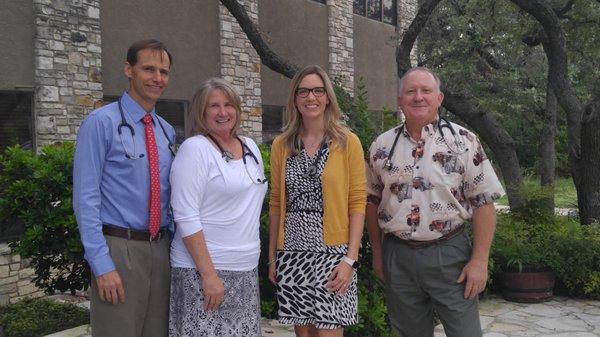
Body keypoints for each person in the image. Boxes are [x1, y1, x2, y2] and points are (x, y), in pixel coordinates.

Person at [365, 67, 505, 337]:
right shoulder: (381, 146)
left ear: (439, 98)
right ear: (399, 100)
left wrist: (480, 260)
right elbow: (371, 202)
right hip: (399, 255)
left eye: (426, 91)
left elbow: (484, 202)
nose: (418, 97)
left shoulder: (464, 142)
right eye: (411, 91)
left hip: (449, 254)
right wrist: (379, 255)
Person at [73, 39, 176, 337]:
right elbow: (85, 198)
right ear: (128, 69)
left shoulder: (166, 131)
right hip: (119, 249)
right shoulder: (100, 123)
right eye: (149, 69)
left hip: (161, 249)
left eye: (164, 72)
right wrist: (102, 265)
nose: (158, 78)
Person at [268, 65, 366, 337]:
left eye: (317, 90)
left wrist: (350, 260)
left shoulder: (347, 142)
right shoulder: (282, 145)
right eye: (303, 91)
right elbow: (276, 203)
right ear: (295, 98)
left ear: (327, 97)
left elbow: (358, 202)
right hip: (293, 253)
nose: (311, 97)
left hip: (334, 256)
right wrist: (272, 258)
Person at [168, 78, 267, 337]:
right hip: (203, 272)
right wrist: (209, 275)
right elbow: (185, 215)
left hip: (244, 268)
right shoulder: (195, 149)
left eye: (228, 105)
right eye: (214, 106)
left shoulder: (250, 147)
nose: (223, 112)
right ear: (201, 113)